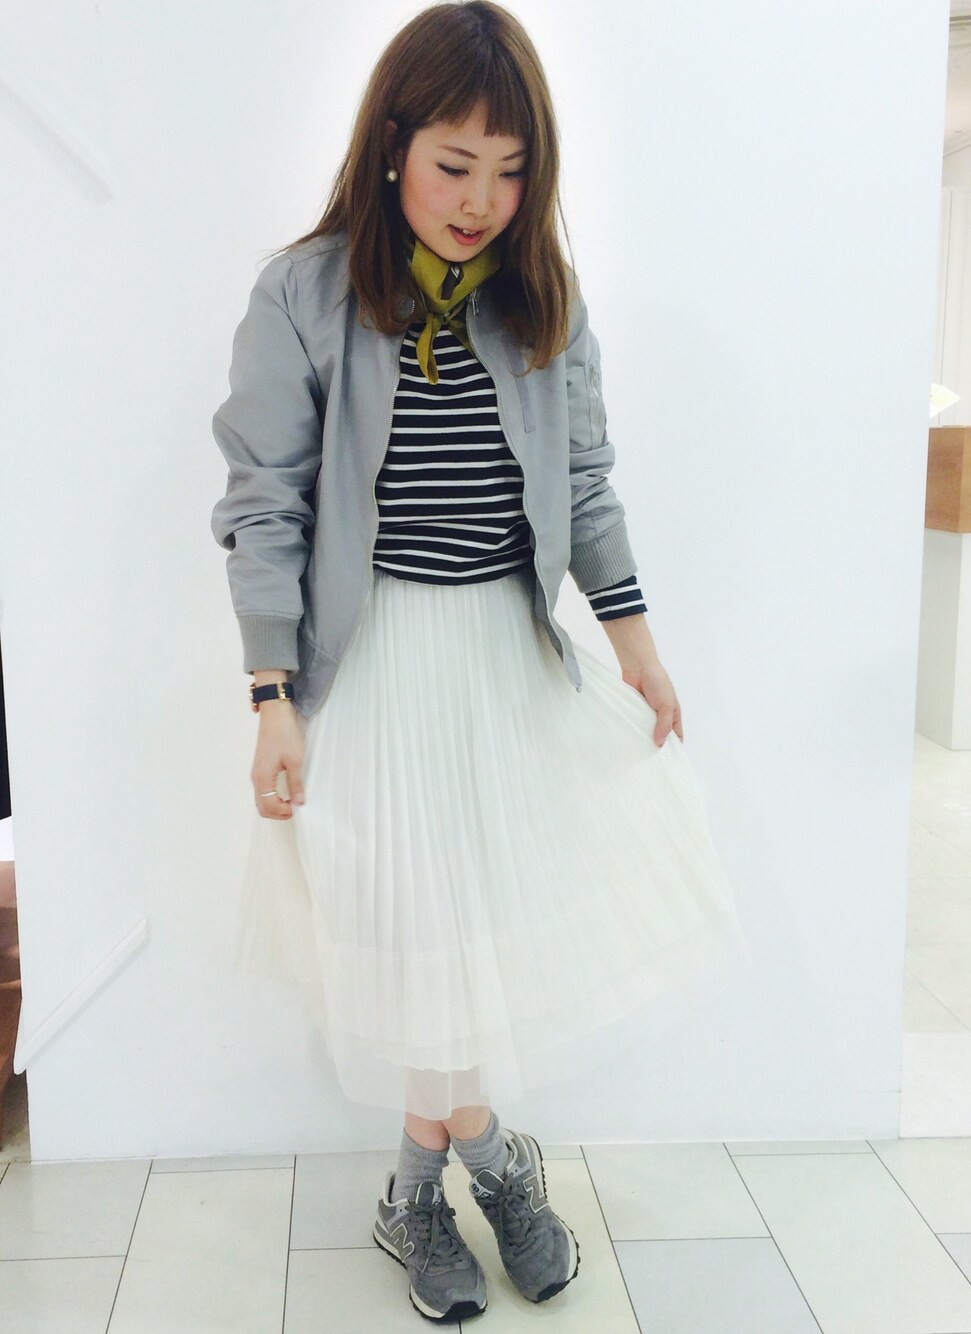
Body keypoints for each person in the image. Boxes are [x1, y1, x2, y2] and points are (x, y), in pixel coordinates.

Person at [210, 1, 753, 1321]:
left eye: (511, 173)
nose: (480, 201)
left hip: (505, 658)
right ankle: (490, 1159)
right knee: (415, 937)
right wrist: (271, 695)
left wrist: (636, 647)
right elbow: (264, 500)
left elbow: (586, 481)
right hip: (376, 658)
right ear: (392, 142)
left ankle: (419, 1185)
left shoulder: (541, 294)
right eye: (455, 164)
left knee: (469, 935)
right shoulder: (303, 294)